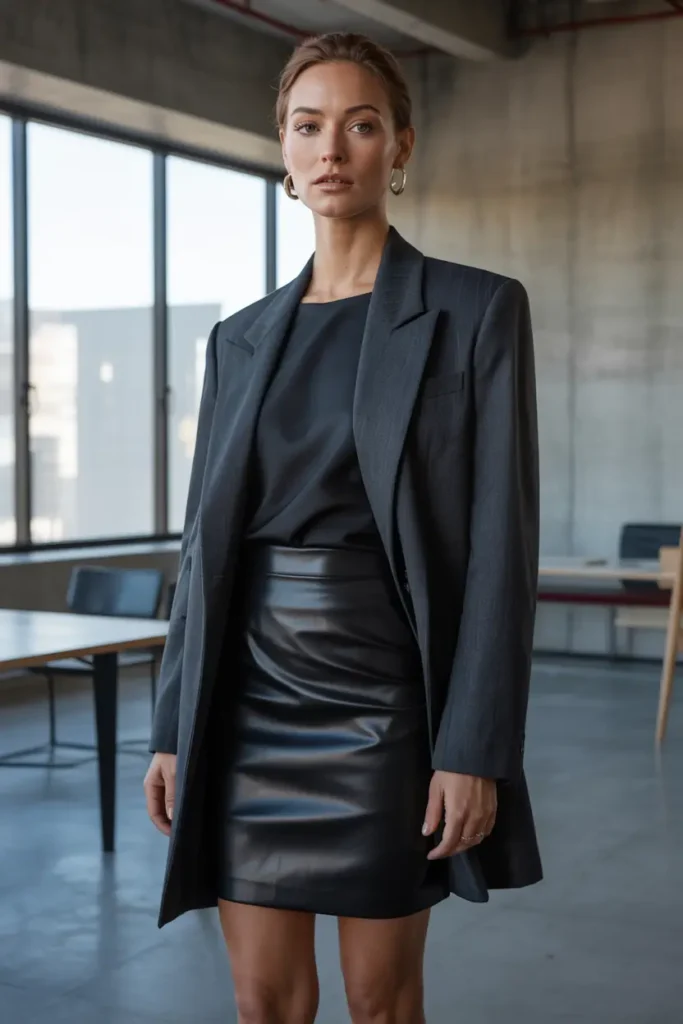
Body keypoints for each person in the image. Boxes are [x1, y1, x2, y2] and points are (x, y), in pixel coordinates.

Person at [144, 30, 542, 1024]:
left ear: (399, 146)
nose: (332, 148)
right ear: (280, 147)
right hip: (240, 703)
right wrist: (168, 723)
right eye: (307, 125)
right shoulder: (237, 339)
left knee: (379, 1000)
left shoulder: (474, 312)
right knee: (263, 999)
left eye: (360, 125)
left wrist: (474, 745)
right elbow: (201, 547)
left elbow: (500, 548)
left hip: (388, 703)